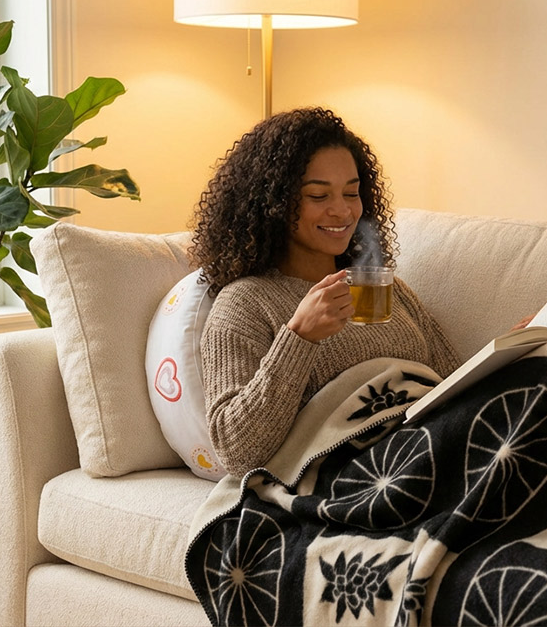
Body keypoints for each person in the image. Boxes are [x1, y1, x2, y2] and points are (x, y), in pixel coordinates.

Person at [190, 107, 463, 475]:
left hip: (433, 447)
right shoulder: (245, 303)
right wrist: (299, 337)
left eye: (352, 193)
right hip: (357, 476)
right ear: (272, 203)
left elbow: (457, 388)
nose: (342, 211)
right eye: (319, 196)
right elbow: (237, 452)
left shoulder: (385, 288)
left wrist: (516, 352)